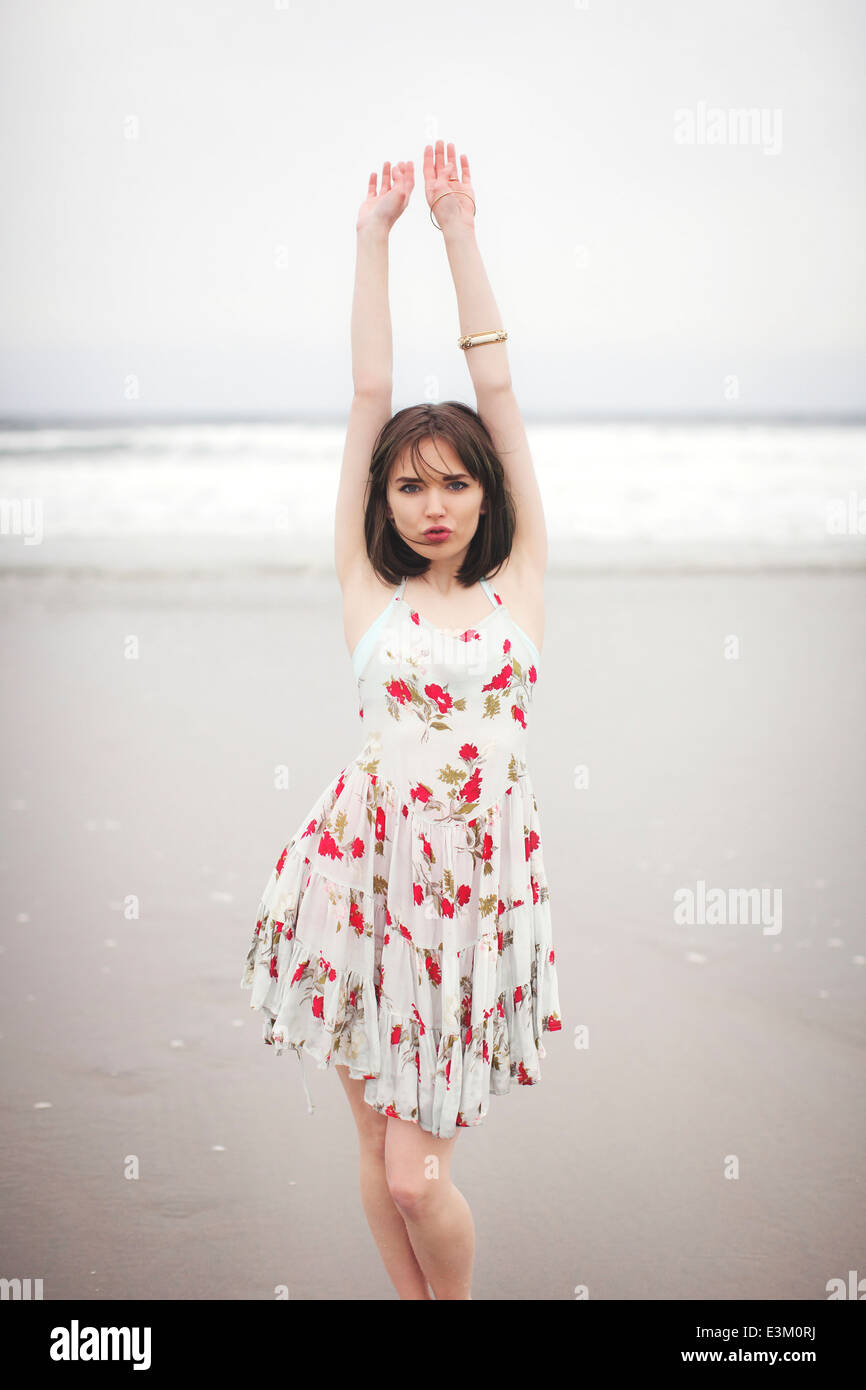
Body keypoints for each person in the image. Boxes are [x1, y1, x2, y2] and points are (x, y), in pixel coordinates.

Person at [241, 140, 562, 1300]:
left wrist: (457, 232)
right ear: (382, 499)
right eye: (408, 484)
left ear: (488, 493)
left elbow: (502, 395)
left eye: (455, 481)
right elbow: (368, 394)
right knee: (379, 1154)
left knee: (419, 1174)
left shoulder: (514, 587)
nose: (433, 504)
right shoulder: (366, 598)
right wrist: (369, 241)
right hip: (357, 880)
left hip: (470, 900)